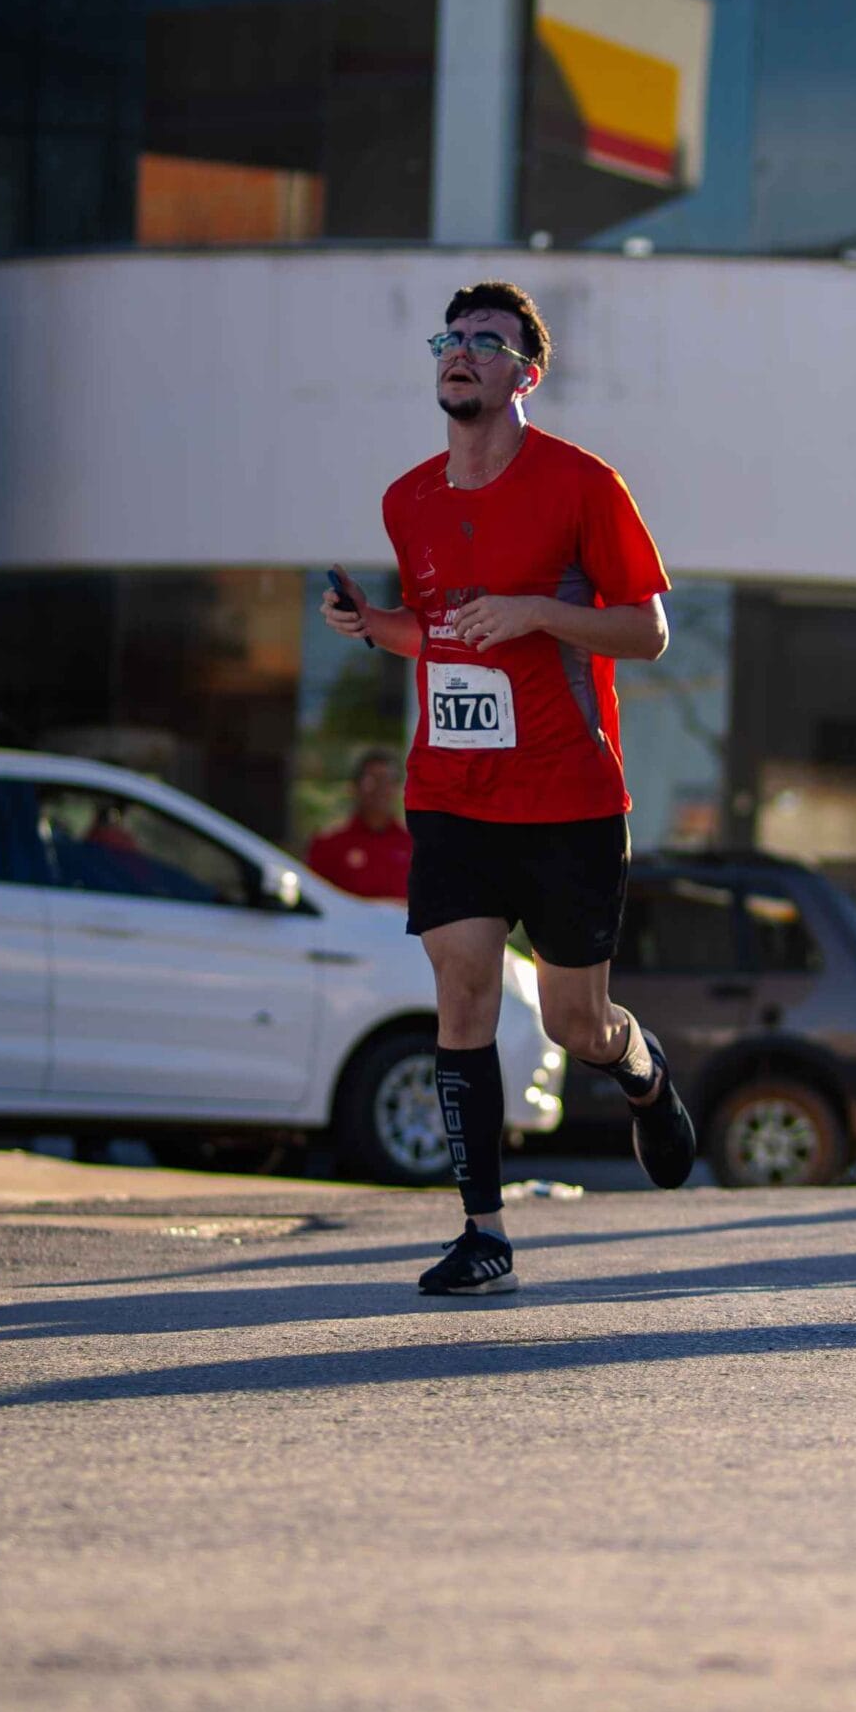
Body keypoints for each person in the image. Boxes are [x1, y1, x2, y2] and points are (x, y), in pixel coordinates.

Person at [321, 277, 695, 1295]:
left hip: (570, 798)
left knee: (576, 1023)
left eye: (487, 341)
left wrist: (537, 611)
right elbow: (441, 632)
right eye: (452, 338)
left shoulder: (583, 485)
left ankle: (640, 1069)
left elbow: (648, 631)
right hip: (452, 793)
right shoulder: (408, 501)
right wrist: (374, 626)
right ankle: (483, 1233)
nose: (462, 350)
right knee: (463, 995)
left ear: (526, 375)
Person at [305, 748, 412, 901]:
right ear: (355, 787)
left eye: (388, 780)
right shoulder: (328, 843)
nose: (381, 788)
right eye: (372, 780)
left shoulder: (413, 844)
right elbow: (314, 899)